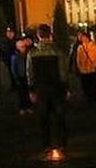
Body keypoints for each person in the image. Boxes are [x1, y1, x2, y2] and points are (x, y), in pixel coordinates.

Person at [27, 23, 69, 153]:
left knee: (43, 117)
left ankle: (46, 143)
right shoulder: (57, 51)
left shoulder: (32, 53)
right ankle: (61, 142)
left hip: (40, 88)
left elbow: (29, 73)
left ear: (38, 36)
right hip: (56, 87)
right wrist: (66, 88)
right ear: (50, 35)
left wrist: (31, 90)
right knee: (59, 116)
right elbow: (63, 72)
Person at [73, 31, 96, 107]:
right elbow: (78, 58)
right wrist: (79, 66)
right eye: (82, 38)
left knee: (92, 84)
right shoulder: (80, 47)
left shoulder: (93, 45)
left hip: (91, 68)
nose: (83, 39)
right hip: (83, 69)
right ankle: (88, 97)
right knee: (85, 84)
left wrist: (95, 64)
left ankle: (93, 98)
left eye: (85, 37)